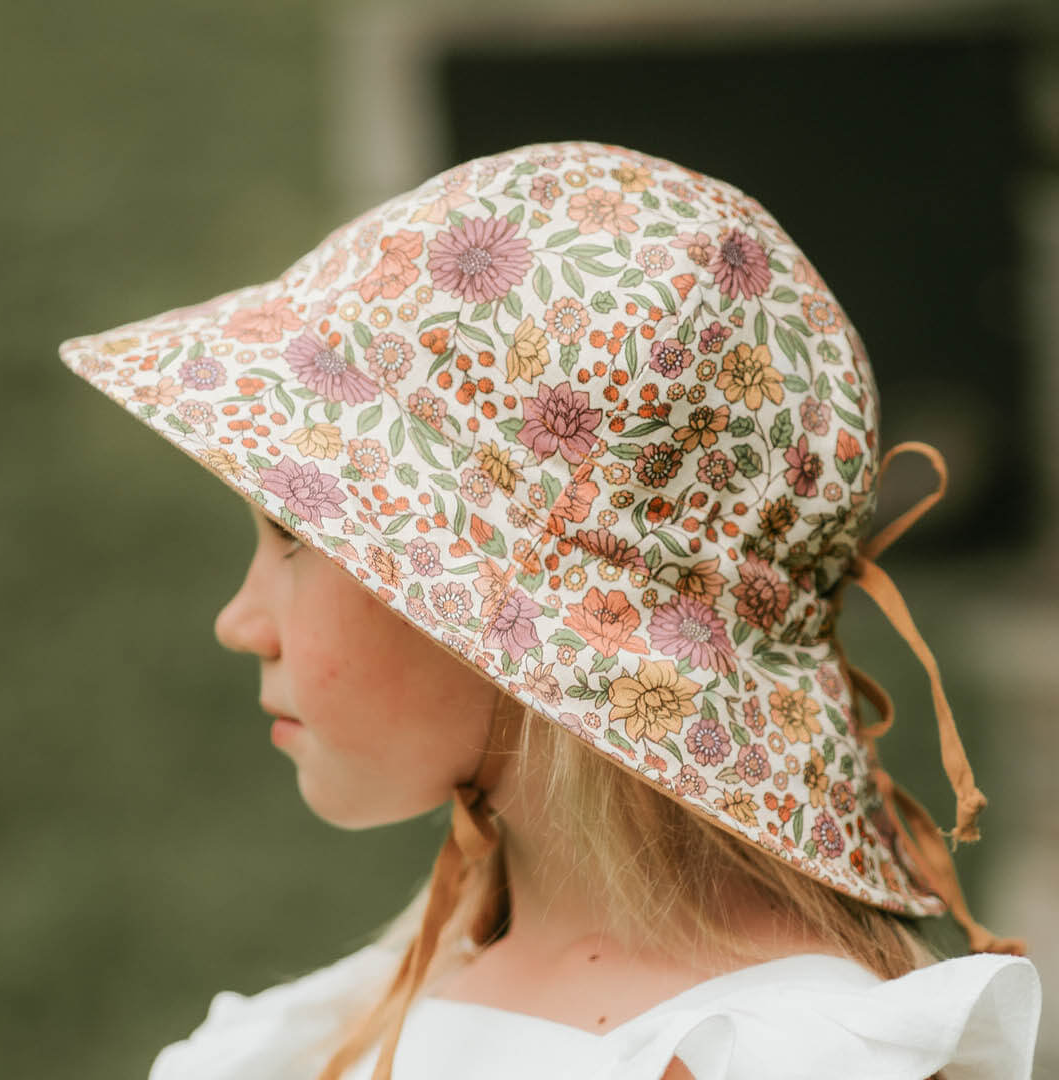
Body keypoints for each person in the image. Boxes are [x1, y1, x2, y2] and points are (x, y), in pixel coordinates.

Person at [58, 140, 1041, 1079]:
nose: (241, 621)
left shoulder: (757, 1053)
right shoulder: (379, 1009)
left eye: (295, 534)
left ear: (496, 593)